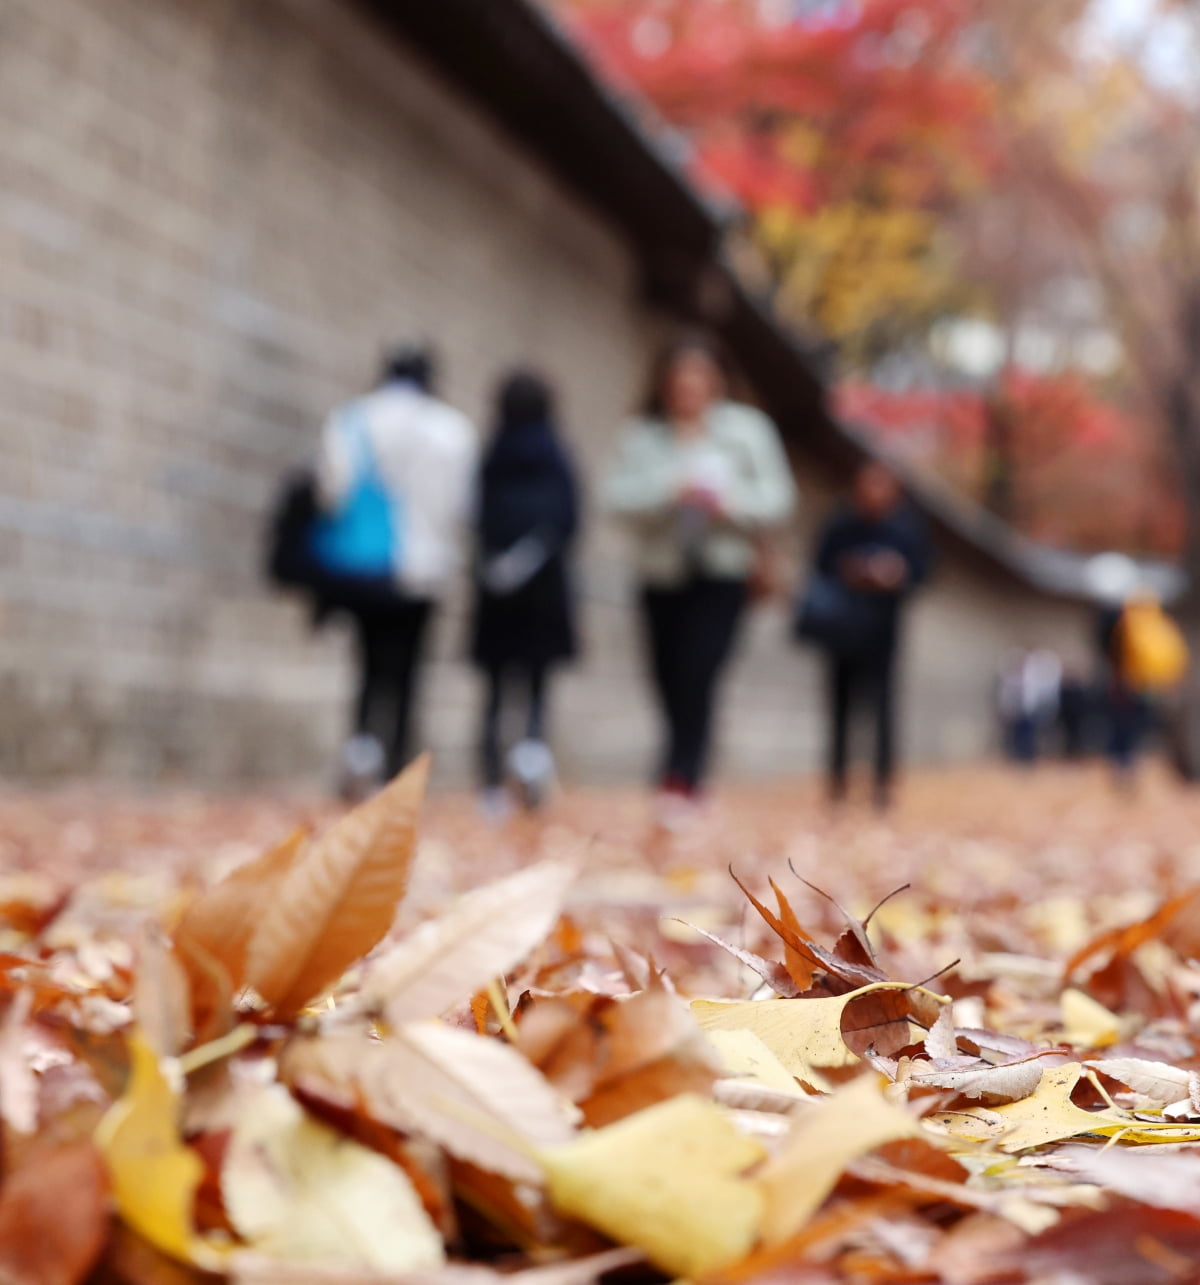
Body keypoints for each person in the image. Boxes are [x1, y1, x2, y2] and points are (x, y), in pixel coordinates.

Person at [605, 334, 796, 820]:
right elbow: (615, 498)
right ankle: (682, 770)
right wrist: (668, 490)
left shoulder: (747, 432)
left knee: (700, 671)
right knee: (666, 675)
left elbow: (779, 500)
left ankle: (681, 776)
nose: (688, 387)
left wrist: (727, 504)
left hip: (722, 573)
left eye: (699, 377)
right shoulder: (645, 435)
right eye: (679, 378)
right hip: (661, 572)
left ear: (716, 382)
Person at [315, 344, 476, 794]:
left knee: (367, 663)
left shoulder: (352, 418)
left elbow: (332, 491)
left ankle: (362, 746)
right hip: (425, 569)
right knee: (408, 670)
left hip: (366, 567)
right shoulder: (453, 430)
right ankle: (397, 768)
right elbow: (463, 506)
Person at [470, 371, 580, 816]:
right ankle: (531, 771)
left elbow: (475, 515)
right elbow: (571, 520)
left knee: (495, 692)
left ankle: (492, 784)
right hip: (544, 593)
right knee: (536, 690)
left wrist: (500, 564)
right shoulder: (557, 458)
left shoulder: (492, 457)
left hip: (496, 592)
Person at [812, 462, 931, 809]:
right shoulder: (841, 525)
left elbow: (923, 571)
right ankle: (837, 782)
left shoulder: (905, 528)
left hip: (883, 633)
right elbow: (819, 565)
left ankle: (882, 785)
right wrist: (850, 570)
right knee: (839, 708)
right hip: (842, 631)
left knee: (883, 710)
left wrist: (896, 574)